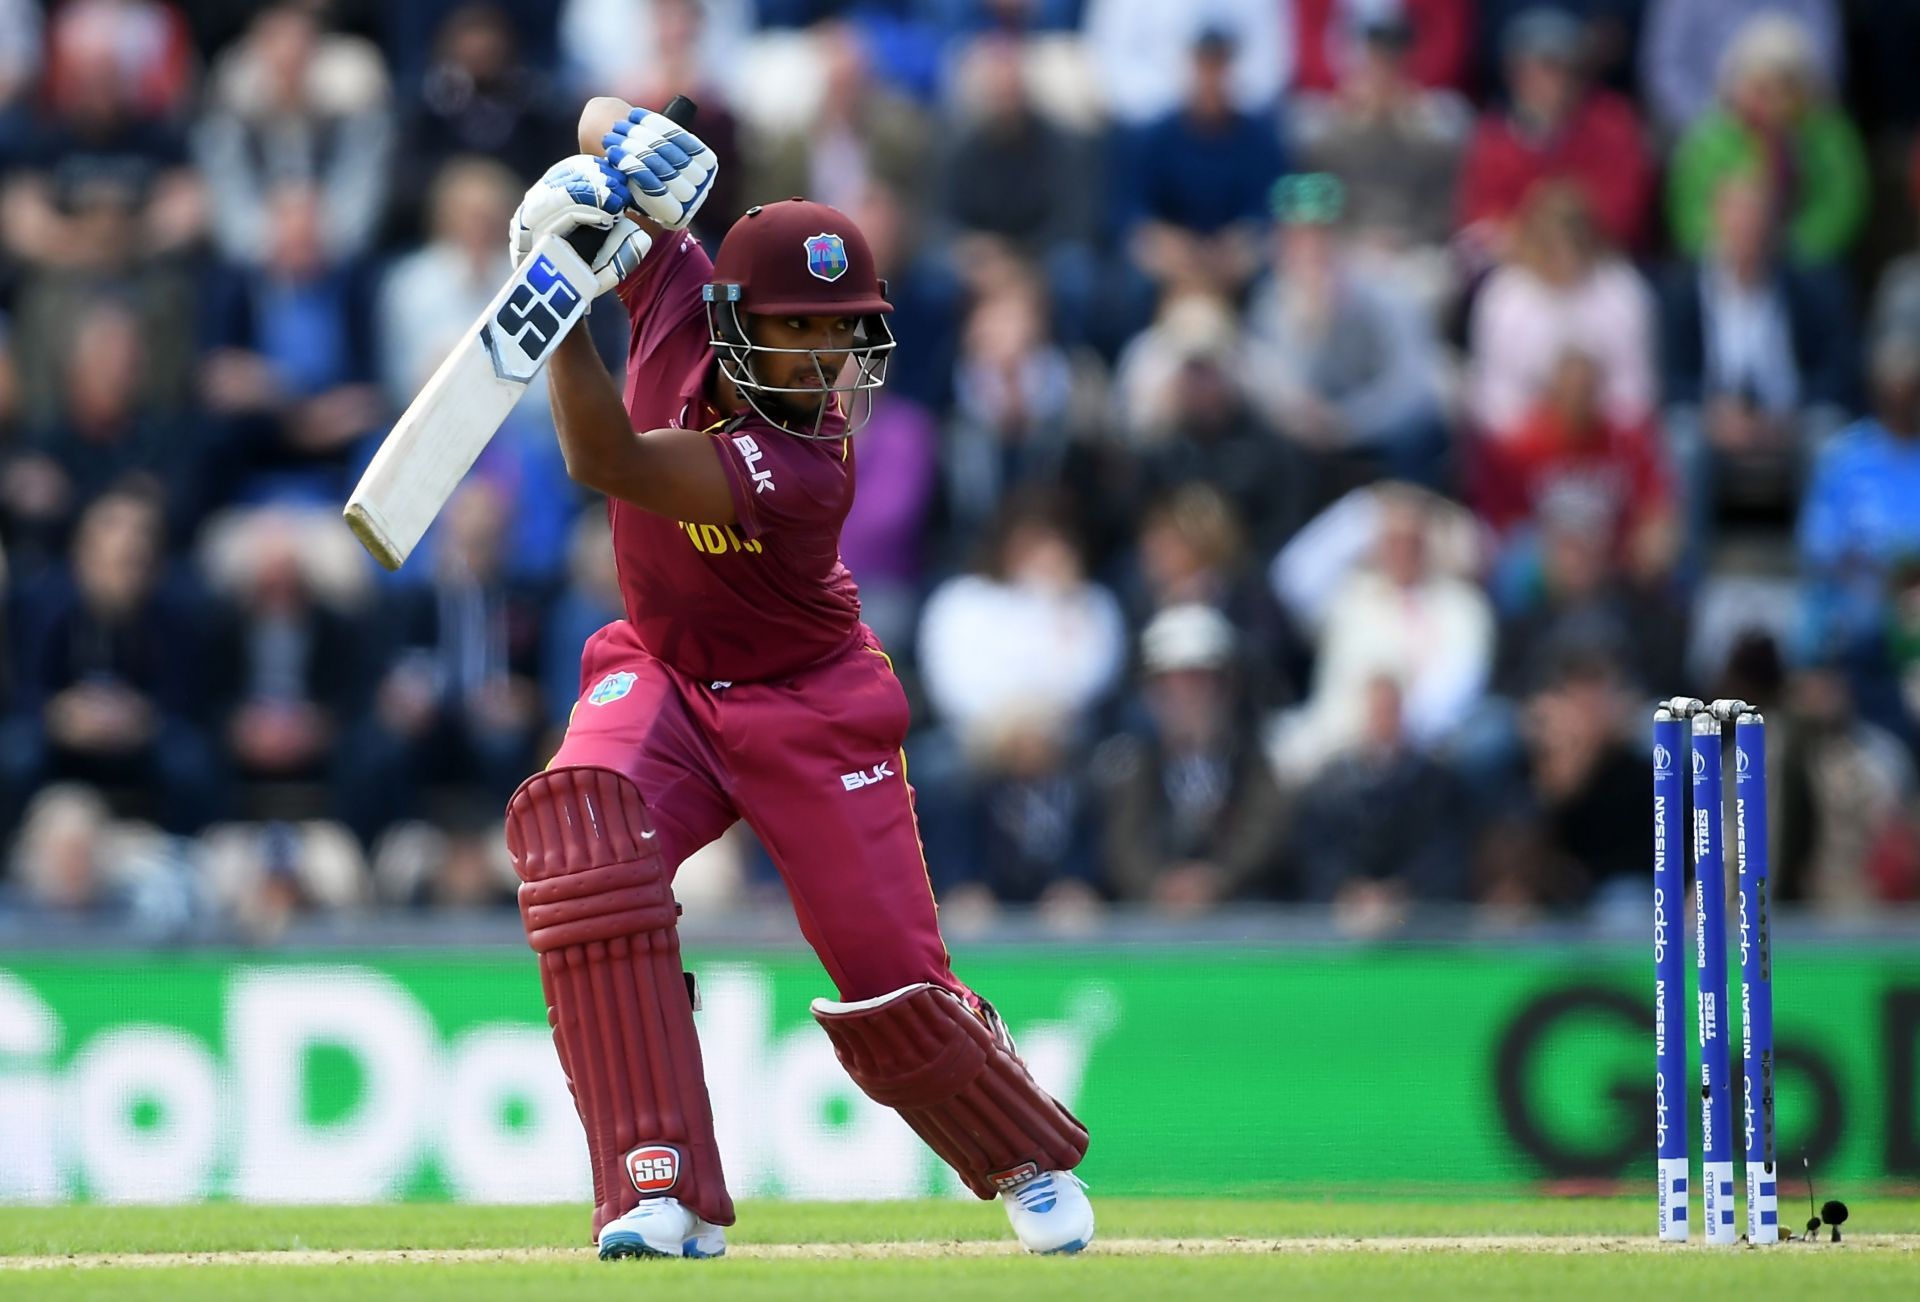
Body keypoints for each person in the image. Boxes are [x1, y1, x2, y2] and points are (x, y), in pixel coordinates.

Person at [499, 100, 1092, 1259]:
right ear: (727, 319)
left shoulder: (808, 466)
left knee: (890, 979)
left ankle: (1016, 1151)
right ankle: (652, 1186)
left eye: (845, 334)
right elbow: (596, 114)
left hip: (809, 703)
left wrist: (552, 284)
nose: (827, 362)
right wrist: (624, 151)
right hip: (664, 677)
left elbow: (600, 459)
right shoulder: (674, 285)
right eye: (802, 332)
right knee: (585, 849)